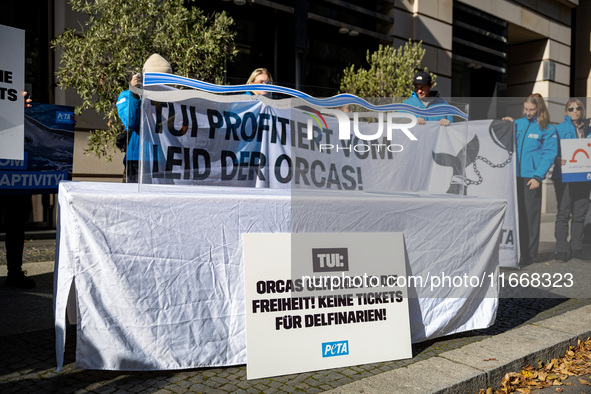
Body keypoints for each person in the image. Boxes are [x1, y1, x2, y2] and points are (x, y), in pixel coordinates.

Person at [503, 94, 557, 265]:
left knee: (529, 217)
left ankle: (528, 254)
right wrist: (506, 125)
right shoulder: (517, 124)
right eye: (525, 109)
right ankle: (514, 251)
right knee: (515, 215)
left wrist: (538, 176)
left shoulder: (548, 129)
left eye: (532, 110)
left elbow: (549, 155)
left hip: (531, 178)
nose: (528, 112)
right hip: (514, 176)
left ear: (539, 109)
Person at [116, 54, 172, 183]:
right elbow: (130, 121)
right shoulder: (127, 96)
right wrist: (135, 94)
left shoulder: (171, 99)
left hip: (164, 159)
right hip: (138, 159)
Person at [2, 91, 35, 289]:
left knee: (16, 223)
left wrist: (63, 124)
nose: (27, 99)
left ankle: (14, 272)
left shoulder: (28, 115)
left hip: (18, 176)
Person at [551, 98, 591, 261]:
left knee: (580, 214)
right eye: (571, 109)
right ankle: (561, 249)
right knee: (563, 213)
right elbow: (549, 150)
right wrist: (556, 159)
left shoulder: (589, 130)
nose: (575, 111)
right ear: (566, 112)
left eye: (578, 108)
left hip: (583, 177)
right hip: (564, 176)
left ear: (583, 111)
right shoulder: (558, 129)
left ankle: (576, 248)